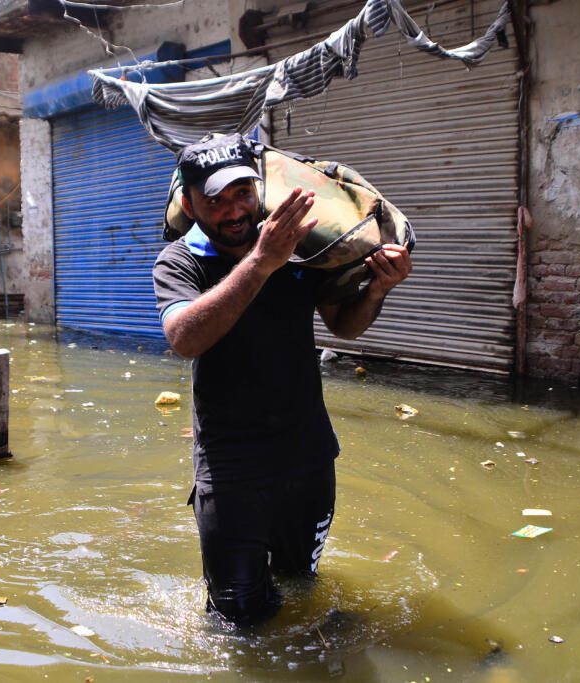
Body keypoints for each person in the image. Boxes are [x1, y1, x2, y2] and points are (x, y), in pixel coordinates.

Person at [152, 133, 412, 623]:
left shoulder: (302, 251)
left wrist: (378, 288)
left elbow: (344, 325)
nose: (233, 211)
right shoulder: (180, 262)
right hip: (230, 469)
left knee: (300, 589)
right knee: (238, 617)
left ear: (259, 190)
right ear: (189, 204)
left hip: (308, 459)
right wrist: (260, 262)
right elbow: (185, 338)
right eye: (215, 201)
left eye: (242, 195)